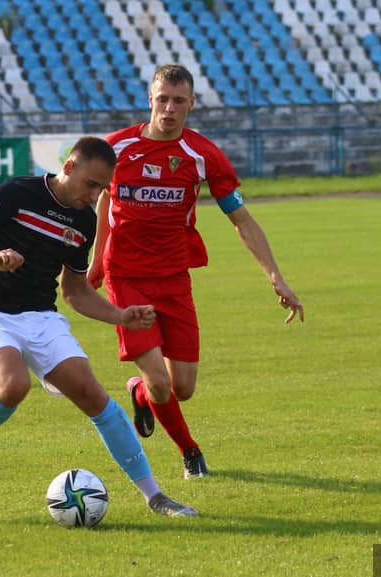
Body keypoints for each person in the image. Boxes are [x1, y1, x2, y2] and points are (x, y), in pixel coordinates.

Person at [0, 136, 197, 518]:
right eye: (90, 184)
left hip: (40, 316)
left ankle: (155, 496)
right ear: (68, 167)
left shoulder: (83, 221)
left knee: (94, 396)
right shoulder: (18, 192)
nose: (94, 196)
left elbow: (75, 291)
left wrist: (120, 315)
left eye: (102, 189)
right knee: (13, 385)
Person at [88, 64, 304, 479]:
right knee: (160, 381)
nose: (169, 109)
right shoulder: (116, 148)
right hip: (126, 277)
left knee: (181, 387)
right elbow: (102, 200)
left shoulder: (203, 155)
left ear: (191, 103)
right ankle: (190, 452)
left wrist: (276, 277)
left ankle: (140, 393)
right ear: (150, 99)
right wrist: (97, 260)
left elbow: (242, 220)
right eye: (162, 99)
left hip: (174, 278)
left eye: (178, 101)